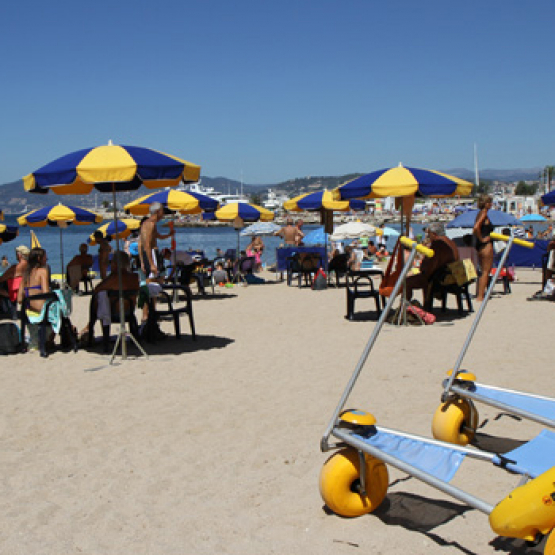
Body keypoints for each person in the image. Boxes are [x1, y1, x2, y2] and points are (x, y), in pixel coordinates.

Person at [404, 222, 459, 302]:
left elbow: (431, 266)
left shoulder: (437, 244)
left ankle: (405, 306)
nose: (428, 236)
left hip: (439, 279)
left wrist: (422, 268)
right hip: (451, 275)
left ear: (434, 234)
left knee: (407, 282)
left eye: (429, 234)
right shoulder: (451, 242)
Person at [139, 202, 175, 280]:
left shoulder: (146, 223)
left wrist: (169, 234)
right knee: (154, 279)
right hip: (151, 254)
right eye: (163, 211)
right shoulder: (150, 224)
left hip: (149, 254)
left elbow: (159, 236)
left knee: (157, 277)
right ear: (158, 211)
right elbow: (147, 245)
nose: (163, 214)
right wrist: (152, 264)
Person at [473, 194, 495, 301]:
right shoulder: (484, 213)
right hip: (485, 244)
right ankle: (481, 296)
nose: (491, 204)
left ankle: (480, 294)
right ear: (486, 204)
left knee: (482, 271)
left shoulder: (479, 213)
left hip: (479, 245)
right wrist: (482, 238)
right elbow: (476, 227)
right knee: (486, 271)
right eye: (490, 202)